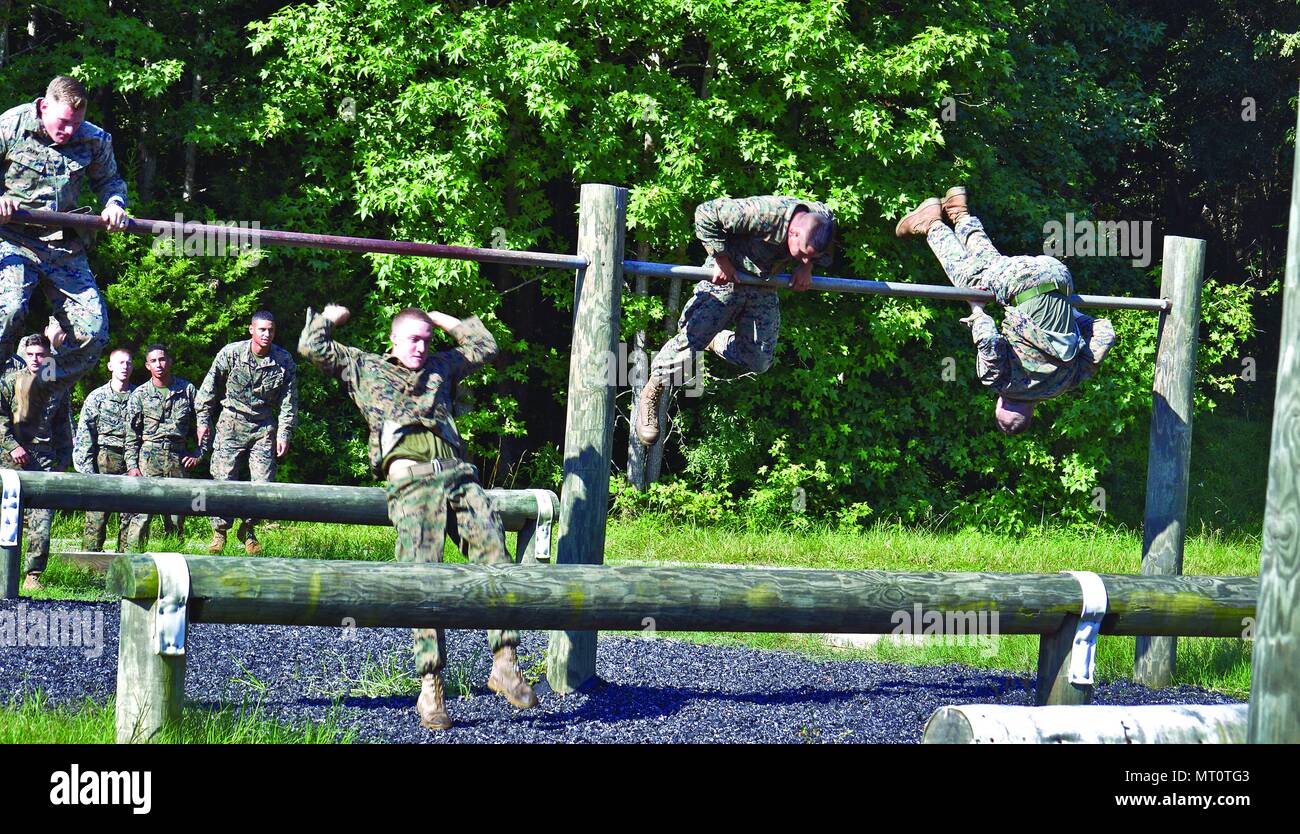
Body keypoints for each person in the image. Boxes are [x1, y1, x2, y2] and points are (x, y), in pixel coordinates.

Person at [299, 303, 537, 730]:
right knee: (424, 577)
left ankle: (505, 661)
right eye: (413, 339)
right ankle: (431, 686)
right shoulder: (364, 367)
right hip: (411, 484)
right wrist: (334, 317)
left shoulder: (441, 367)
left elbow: (484, 346)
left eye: (426, 341)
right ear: (393, 341)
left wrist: (438, 318)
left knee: (496, 560)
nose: (421, 347)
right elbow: (311, 346)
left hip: (459, 478)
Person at [895, 187, 1117, 433]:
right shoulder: (1002, 381)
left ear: (1032, 410)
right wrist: (977, 309)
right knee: (967, 281)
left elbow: (1106, 333)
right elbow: (988, 339)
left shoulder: (1066, 383)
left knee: (987, 264)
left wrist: (1069, 310)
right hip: (1022, 282)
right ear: (1000, 403)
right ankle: (931, 223)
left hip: (1060, 276)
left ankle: (958, 211)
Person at [636, 195, 835, 445]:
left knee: (760, 359)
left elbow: (826, 224)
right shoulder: (761, 213)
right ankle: (653, 390)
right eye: (802, 254)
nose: (803, 258)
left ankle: (715, 341)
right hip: (729, 275)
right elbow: (705, 213)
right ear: (792, 233)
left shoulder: (821, 220)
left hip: (762, 283)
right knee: (691, 341)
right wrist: (721, 259)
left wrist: (807, 267)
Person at [0, 75, 129, 388]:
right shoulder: (10, 126)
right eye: (63, 122)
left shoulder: (94, 139)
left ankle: (35, 386)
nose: (69, 131)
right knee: (10, 310)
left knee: (94, 333)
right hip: (14, 238)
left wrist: (114, 204)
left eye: (76, 124)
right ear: (44, 106)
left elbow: (110, 182)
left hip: (63, 245)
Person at [196, 311, 298, 555]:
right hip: (231, 422)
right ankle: (219, 532)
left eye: (271, 330)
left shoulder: (283, 360)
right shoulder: (231, 353)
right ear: (251, 330)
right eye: (261, 329)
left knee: (263, 485)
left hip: (263, 427)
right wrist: (202, 420)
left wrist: (284, 433)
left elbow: (289, 401)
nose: (266, 334)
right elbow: (208, 388)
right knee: (223, 481)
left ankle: (249, 530)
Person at [0, 333, 73, 592]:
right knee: (8, 517)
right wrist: (12, 446)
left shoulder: (57, 387)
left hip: (44, 460)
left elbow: (64, 426)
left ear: (48, 357)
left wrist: (63, 461)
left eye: (40, 354)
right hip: (11, 460)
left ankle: (33, 575)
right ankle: (4, 572)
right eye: (30, 354)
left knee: (41, 520)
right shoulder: (9, 382)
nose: (35, 359)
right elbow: (1, 420)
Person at [123, 344, 205, 549]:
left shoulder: (187, 390)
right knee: (141, 515)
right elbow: (132, 435)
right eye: (153, 361)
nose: (158, 365)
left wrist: (198, 454)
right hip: (148, 458)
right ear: (147, 366)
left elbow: (204, 424)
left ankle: (174, 562)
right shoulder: (140, 394)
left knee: (177, 517)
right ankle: (134, 560)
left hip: (177, 458)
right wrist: (132, 465)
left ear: (170, 361)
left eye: (162, 359)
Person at [74, 347, 136, 552]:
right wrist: (86, 472)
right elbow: (85, 435)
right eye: (120, 362)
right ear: (110, 366)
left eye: (128, 363)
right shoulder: (97, 397)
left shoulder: (139, 396)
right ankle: (89, 566)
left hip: (132, 460)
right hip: (105, 460)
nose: (124, 367)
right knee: (97, 515)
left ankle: (128, 564)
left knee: (130, 514)